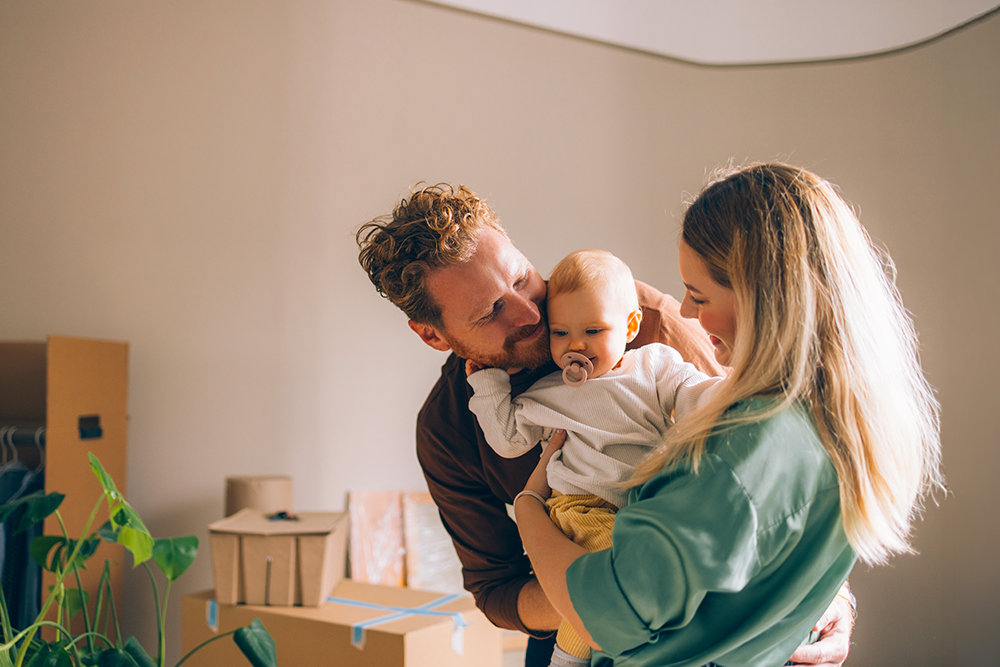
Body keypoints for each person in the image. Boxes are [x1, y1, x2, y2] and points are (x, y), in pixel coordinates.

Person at [356, 182, 855, 667]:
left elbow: (768, 454)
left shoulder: (640, 318)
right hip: (581, 611)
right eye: (492, 312)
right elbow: (497, 589)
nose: (530, 312)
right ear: (431, 335)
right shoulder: (448, 430)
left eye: (522, 278)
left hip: (715, 593)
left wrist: (828, 595)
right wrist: (603, 594)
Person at [513, 163, 943, 666]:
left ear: (766, 298)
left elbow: (606, 614)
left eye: (698, 296)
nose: (687, 315)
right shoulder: (837, 420)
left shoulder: (737, 449)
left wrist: (529, 508)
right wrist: (833, 603)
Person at [467, 249, 719, 665]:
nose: (576, 345)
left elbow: (695, 396)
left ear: (631, 325)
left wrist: (737, 394)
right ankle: (568, 659)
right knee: (602, 578)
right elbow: (510, 438)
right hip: (584, 507)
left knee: (668, 570)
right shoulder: (550, 391)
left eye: (593, 330)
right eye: (561, 333)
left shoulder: (654, 366)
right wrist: (489, 384)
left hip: (647, 510)